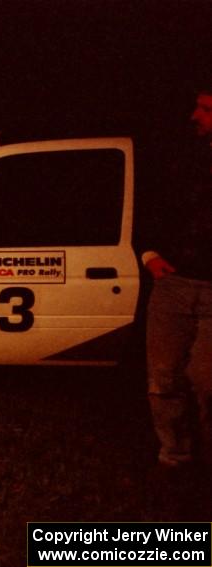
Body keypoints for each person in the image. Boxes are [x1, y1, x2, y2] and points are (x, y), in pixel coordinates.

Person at [140, 85, 212, 473]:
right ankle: (175, 458)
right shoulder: (183, 157)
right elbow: (151, 204)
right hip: (174, 284)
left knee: (207, 383)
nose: (194, 116)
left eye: (206, 109)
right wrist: (149, 255)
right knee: (163, 380)